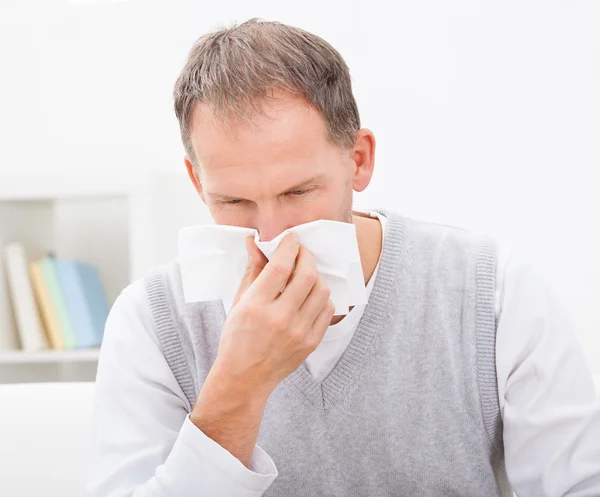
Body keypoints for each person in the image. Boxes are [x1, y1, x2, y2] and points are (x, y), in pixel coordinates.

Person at [87, 18, 600, 496]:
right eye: (234, 201)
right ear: (198, 182)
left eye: (298, 192)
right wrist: (237, 388)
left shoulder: (492, 293)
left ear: (359, 160)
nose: (273, 235)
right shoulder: (151, 322)